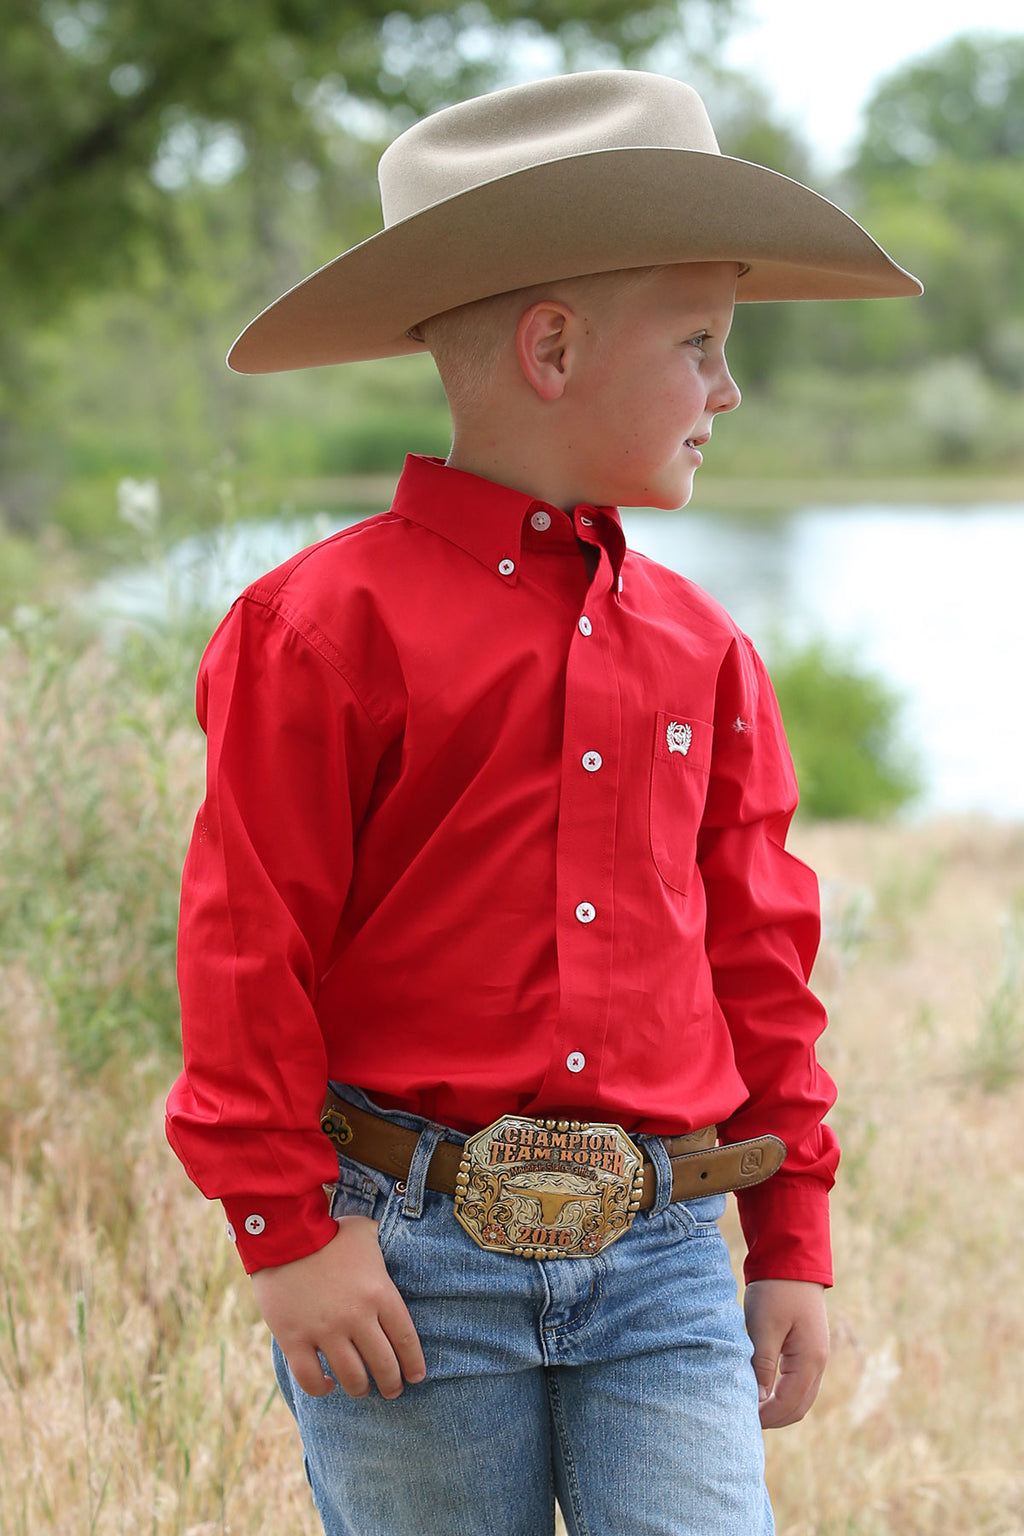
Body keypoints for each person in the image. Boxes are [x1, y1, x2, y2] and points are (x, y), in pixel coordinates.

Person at [166, 70, 921, 1536]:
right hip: (405, 1260)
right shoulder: (318, 633)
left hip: (665, 1261)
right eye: (701, 342)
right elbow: (246, 948)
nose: (728, 389)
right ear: (553, 348)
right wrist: (284, 1231)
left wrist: (794, 1234)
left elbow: (762, 961)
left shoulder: (706, 652)